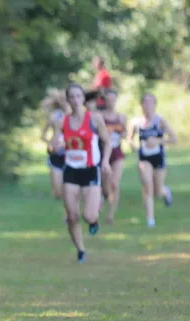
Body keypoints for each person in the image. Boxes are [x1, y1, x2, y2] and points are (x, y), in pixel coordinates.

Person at [61, 83, 111, 263]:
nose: (75, 100)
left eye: (78, 96)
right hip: (71, 171)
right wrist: (54, 148)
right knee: (72, 216)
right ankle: (81, 249)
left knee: (88, 215)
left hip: (90, 170)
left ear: (83, 98)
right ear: (68, 100)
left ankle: (94, 219)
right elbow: (53, 145)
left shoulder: (94, 119)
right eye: (71, 96)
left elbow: (107, 142)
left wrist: (105, 161)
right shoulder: (63, 121)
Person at [127, 93, 178, 227]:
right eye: (145, 103)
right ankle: (150, 220)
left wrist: (157, 141)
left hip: (158, 158)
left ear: (155, 105)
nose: (147, 106)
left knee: (157, 191)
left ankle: (166, 192)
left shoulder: (160, 121)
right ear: (141, 105)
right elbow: (130, 139)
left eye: (150, 103)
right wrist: (134, 146)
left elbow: (174, 139)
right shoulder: (136, 122)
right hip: (144, 158)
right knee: (147, 186)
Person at [100, 89, 127, 224]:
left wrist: (118, 134)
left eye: (113, 99)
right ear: (105, 101)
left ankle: (111, 214)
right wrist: (105, 134)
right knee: (105, 187)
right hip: (103, 153)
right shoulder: (100, 116)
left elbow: (125, 133)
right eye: (108, 100)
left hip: (117, 153)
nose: (111, 102)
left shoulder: (121, 117)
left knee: (114, 183)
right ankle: (104, 197)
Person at [39, 88, 68, 199]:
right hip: (56, 154)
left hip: (72, 154)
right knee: (58, 193)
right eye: (63, 99)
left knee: (70, 189)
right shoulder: (54, 116)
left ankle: (70, 213)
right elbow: (43, 136)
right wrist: (51, 144)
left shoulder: (77, 115)